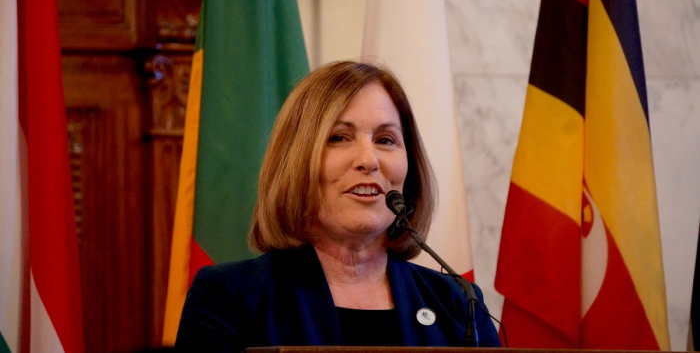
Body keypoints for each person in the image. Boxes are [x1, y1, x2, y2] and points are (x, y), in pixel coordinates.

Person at [175, 61, 501, 351]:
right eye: (339, 137)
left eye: (385, 140)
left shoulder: (458, 303)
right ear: (297, 161)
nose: (368, 160)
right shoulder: (232, 296)